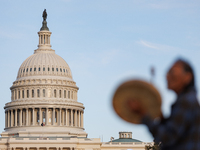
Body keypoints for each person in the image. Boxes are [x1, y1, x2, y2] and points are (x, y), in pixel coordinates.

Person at [128, 59, 200, 150]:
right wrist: (161, 117)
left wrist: (143, 114)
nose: (167, 76)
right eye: (167, 73)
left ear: (187, 77)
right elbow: (176, 132)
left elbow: (166, 137)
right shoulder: (189, 100)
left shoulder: (185, 102)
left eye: (172, 72)